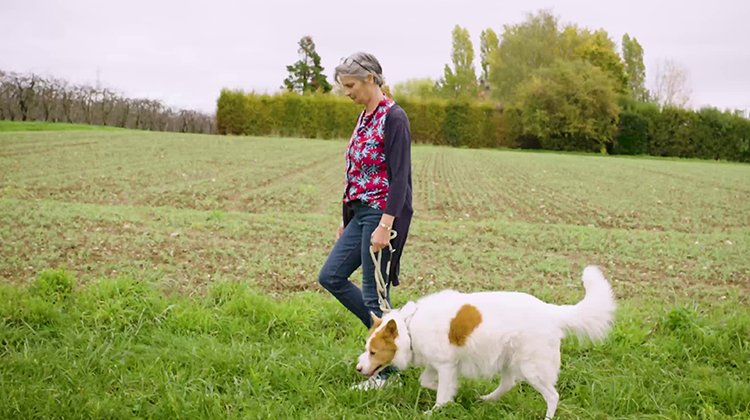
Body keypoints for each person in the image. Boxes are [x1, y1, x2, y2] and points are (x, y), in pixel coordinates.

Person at [318, 52, 413, 390]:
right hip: (359, 213)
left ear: (371, 78)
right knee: (330, 276)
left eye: (350, 85)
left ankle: (387, 371)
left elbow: (399, 178)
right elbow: (355, 171)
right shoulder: (364, 116)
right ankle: (387, 335)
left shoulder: (394, 117)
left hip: (381, 214)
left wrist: (386, 224)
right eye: (344, 86)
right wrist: (346, 217)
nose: (346, 91)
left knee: (376, 296)